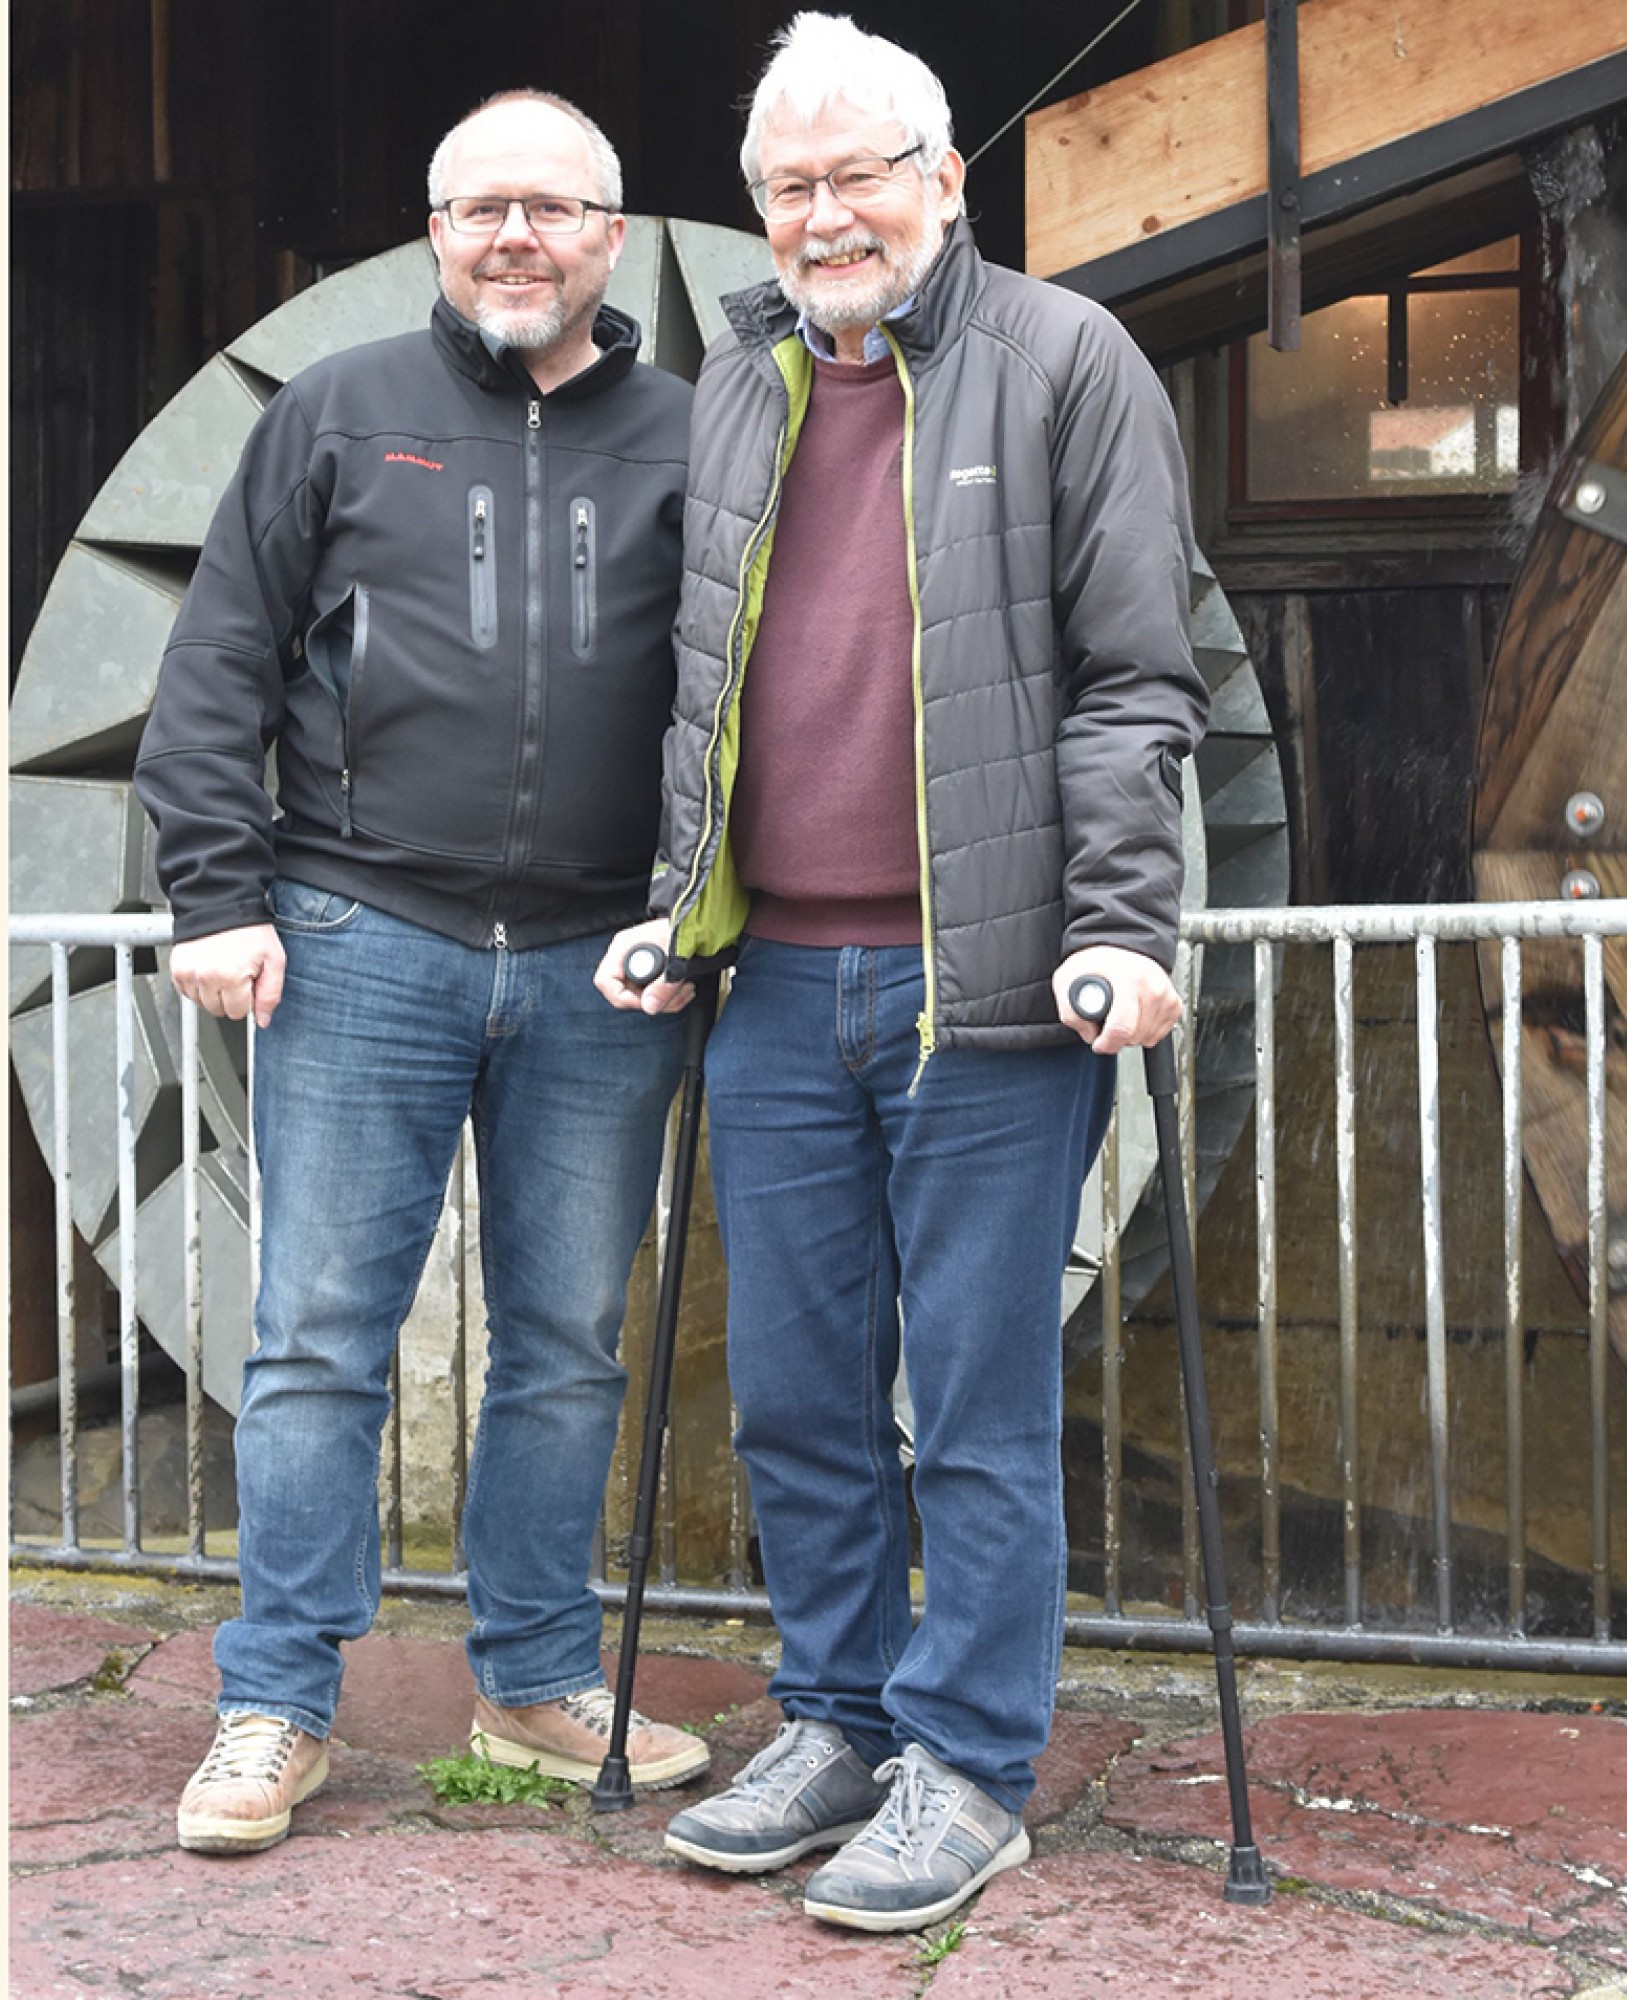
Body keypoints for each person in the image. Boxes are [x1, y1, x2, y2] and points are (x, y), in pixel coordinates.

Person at [596, 12, 1211, 1934]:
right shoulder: (746, 385)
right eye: (787, 185)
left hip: (992, 990)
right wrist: (675, 901)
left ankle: (969, 1761)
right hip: (775, 981)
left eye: (860, 171)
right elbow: (713, 684)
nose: (822, 212)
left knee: (972, 1401)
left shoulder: (1066, 361)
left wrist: (1124, 926)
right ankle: (842, 1716)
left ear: (948, 176)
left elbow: (1135, 678)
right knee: (791, 1393)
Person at [135, 89, 709, 1857]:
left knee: (564, 1344)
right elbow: (217, 669)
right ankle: (275, 1703)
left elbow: (749, 703)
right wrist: (215, 895)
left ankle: (531, 1677)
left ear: (613, 234)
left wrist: (698, 915)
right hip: (358, 939)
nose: (512, 235)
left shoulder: (697, 431)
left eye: (549, 206)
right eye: (478, 207)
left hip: (601, 962)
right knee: (315, 1341)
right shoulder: (336, 412)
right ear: (436, 232)